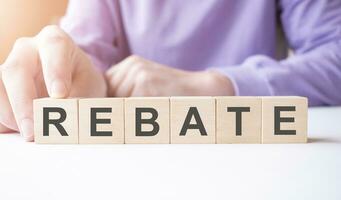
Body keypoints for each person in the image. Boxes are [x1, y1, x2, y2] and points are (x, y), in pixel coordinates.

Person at [0, 0, 340, 141]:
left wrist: (213, 85)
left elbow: (335, 53)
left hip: (258, 162)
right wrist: (78, 80)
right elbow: (85, 50)